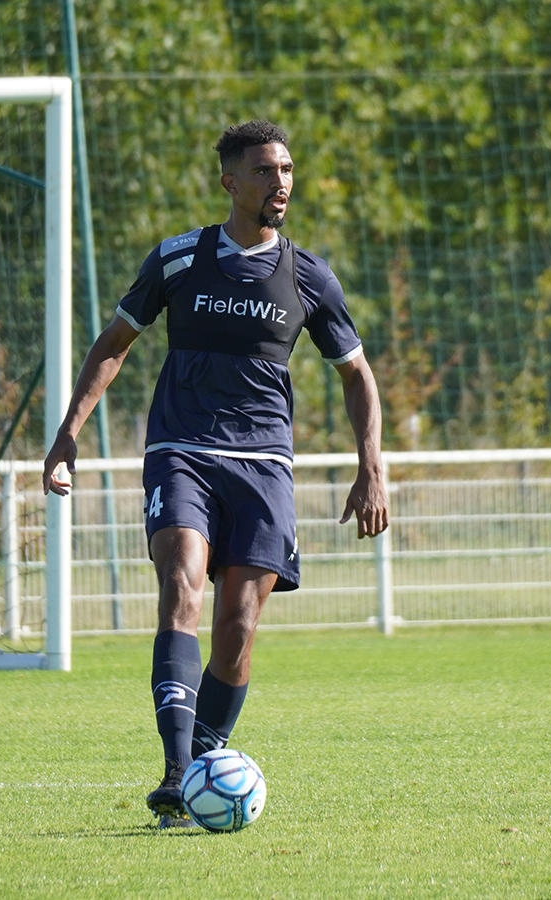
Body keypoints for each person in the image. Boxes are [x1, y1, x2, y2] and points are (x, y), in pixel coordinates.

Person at [43, 120, 389, 828]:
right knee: (182, 588)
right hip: (183, 447)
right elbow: (114, 344)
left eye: (287, 169)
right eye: (265, 171)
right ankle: (176, 773)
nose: (281, 182)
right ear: (231, 182)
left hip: (264, 464)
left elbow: (357, 375)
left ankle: (206, 758)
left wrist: (371, 468)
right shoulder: (178, 259)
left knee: (239, 626)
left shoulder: (310, 275)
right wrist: (67, 435)